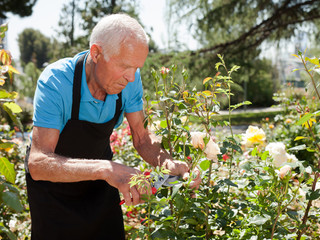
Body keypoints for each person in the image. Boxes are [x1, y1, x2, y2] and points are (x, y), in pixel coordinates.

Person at [25, 13, 201, 240]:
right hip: (53, 194)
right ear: (96, 53)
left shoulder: (130, 80)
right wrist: (105, 169)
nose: (131, 77)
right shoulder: (57, 82)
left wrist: (171, 164)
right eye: (125, 66)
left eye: (136, 68)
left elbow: (142, 138)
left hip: (100, 188)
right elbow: (38, 163)